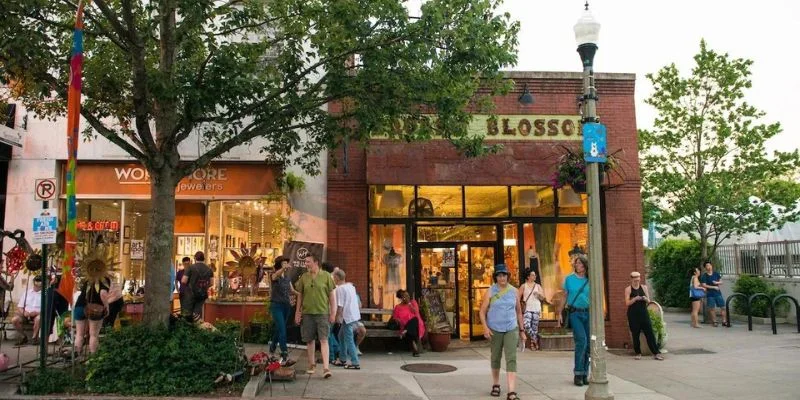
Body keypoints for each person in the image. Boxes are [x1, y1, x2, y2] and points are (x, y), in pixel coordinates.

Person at [479, 264, 525, 400]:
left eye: (504, 275)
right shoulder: (490, 291)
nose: (502, 278)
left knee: (511, 358)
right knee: (495, 357)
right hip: (495, 329)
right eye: (499, 275)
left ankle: (511, 391)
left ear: (508, 276)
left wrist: (522, 330)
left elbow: (519, 312)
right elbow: (482, 311)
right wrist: (485, 327)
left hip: (511, 328)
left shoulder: (514, 291)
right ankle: (496, 384)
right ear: (496, 277)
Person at [295, 254, 336, 379]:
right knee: (309, 340)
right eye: (305, 262)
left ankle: (326, 368)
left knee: (324, 339)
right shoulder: (304, 277)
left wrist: (333, 313)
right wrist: (298, 312)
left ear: (316, 262)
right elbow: (300, 295)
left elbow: (332, 296)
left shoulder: (326, 276)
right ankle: (312, 364)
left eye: (308, 262)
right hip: (307, 313)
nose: (306, 264)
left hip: (323, 313)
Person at [557, 255, 591, 387]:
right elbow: (564, 296)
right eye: (576, 264)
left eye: (580, 263)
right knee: (581, 341)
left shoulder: (590, 279)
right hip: (575, 313)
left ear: (585, 265)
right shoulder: (569, 279)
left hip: (588, 313)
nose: (578, 266)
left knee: (588, 345)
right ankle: (577, 374)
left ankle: (584, 374)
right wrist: (559, 312)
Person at [624, 271, 664, 360]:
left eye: (638, 280)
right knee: (635, 334)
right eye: (635, 280)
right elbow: (627, 303)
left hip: (643, 313)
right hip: (633, 314)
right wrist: (634, 299)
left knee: (649, 333)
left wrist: (645, 299)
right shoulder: (628, 289)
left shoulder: (644, 287)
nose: (637, 282)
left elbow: (649, 301)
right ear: (631, 279)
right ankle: (638, 353)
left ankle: (656, 353)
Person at [269, 256, 298, 366]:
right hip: (276, 306)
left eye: (287, 263)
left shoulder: (287, 277)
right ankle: (285, 355)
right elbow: (275, 276)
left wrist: (301, 295)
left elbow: (292, 290)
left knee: (279, 330)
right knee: (282, 331)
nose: (286, 265)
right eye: (284, 263)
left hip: (286, 306)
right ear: (279, 265)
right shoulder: (274, 275)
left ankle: (272, 350)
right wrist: (282, 269)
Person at [331, 269, 361, 369]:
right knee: (341, 336)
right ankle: (342, 359)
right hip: (353, 315)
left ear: (337, 278)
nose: (333, 278)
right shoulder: (350, 286)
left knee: (348, 339)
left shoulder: (340, 289)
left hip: (347, 316)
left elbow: (340, 306)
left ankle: (355, 362)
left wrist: (336, 317)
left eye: (333, 277)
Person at [74, 276, 110, 354]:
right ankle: (93, 357)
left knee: (79, 334)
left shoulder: (88, 278)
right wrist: (107, 307)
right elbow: (103, 293)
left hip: (79, 306)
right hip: (95, 309)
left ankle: (77, 355)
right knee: (93, 334)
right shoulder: (104, 279)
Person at [181, 251, 213, 322]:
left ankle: (188, 329)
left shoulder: (190, 268)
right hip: (202, 294)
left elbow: (184, 281)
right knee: (198, 315)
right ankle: (197, 329)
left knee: (187, 314)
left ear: (195, 258)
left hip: (190, 294)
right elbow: (211, 283)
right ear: (204, 259)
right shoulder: (209, 269)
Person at [391, 289, 424, 357]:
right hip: (404, 324)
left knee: (414, 319)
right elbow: (395, 317)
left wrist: (409, 303)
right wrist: (399, 320)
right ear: (401, 298)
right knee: (411, 329)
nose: (408, 297)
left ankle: (406, 331)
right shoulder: (397, 307)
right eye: (405, 296)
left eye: (408, 295)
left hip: (415, 323)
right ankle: (415, 350)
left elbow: (416, 312)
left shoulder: (413, 303)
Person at [13, 276, 43, 345]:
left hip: (38, 314)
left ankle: (34, 338)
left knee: (38, 319)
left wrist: (37, 313)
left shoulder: (45, 293)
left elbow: (47, 308)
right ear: (33, 282)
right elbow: (20, 306)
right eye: (36, 281)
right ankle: (24, 337)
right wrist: (24, 312)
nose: (37, 284)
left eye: (39, 281)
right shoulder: (27, 293)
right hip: (26, 314)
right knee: (15, 320)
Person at [519, 268, 544, 350]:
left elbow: (543, 298)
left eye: (535, 275)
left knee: (534, 327)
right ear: (528, 276)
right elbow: (518, 297)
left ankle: (533, 345)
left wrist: (538, 295)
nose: (535, 276)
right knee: (526, 325)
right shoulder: (523, 286)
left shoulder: (538, 286)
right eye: (533, 275)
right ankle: (535, 339)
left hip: (536, 308)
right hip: (527, 308)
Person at [700, 261, 728, 327]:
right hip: (710, 294)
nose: (709, 267)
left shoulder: (716, 274)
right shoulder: (704, 276)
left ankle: (724, 321)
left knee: (723, 307)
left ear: (712, 266)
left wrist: (717, 283)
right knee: (712, 309)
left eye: (710, 265)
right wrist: (713, 287)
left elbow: (721, 281)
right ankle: (714, 321)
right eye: (707, 266)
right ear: (705, 267)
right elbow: (704, 285)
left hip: (718, 293)